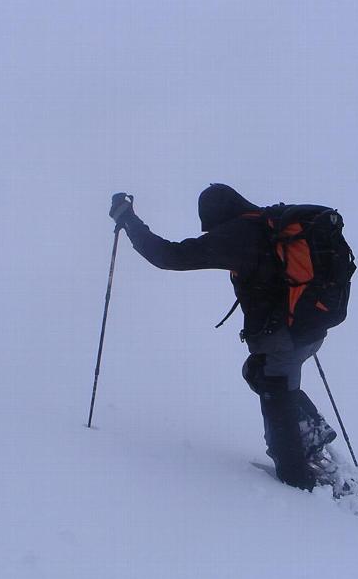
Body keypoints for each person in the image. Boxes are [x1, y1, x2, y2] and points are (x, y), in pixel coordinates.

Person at [109, 184, 340, 491]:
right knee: (258, 373)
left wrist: (129, 222)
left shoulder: (239, 235)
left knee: (275, 392)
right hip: (308, 329)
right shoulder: (268, 224)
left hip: (283, 337)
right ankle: (312, 432)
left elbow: (170, 256)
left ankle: (296, 479)